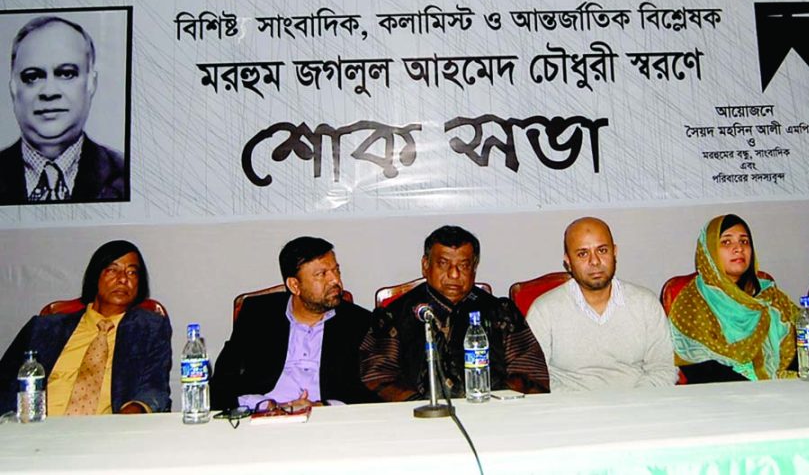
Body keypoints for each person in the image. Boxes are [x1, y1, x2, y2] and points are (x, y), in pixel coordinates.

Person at [360, 225, 549, 401]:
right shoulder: (395, 315)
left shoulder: (500, 312)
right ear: (425, 265)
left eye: (464, 265)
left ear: (474, 268)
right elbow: (377, 377)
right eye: (443, 264)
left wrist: (490, 400)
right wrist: (420, 405)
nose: (454, 275)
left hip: (491, 414)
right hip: (416, 419)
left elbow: (530, 374)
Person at [0, 240, 171, 414]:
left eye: (132, 272)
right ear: (95, 276)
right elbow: (4, 380)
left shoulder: (150, 329)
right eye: (112, 270)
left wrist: (135, 410)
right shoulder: (43, 328)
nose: (122, 279)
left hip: (105, 433)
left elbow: (155, 387)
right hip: (35, 429)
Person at [210, 237, 378, 410]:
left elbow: (372, 390)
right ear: (294, 285)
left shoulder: (359, 322)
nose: (335, 281)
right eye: (321, 274)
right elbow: (222, 382)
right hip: (263, 417)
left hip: (326, 421)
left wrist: (324, 406)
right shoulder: (258, 314)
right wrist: (265, 405)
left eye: (336, 271)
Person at [527, 217, 677, 391]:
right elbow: (535, 375)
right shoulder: (544, 310)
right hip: (571, 409)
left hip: (637, 405)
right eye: (583, 254)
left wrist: (633, 402)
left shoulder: (645, 304)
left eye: (602, 250)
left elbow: (662, 369)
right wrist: (582, 405)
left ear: (615, 252)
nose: (595, 261)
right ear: (568, 261)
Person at [0, 15, 125, 205]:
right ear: (13, 89)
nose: (49, 92)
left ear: (91, 83)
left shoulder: (128, 173)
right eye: (32, 77)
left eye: (66, 74)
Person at [668, 214, 797, 383]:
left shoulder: (771, 296)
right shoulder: (692, 302)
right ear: (710, 251)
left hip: (782, 389)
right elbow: (699, 369)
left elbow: (804, 347)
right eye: (726, 242)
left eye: (744, 241)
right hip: (723, 397)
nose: (739, 249)